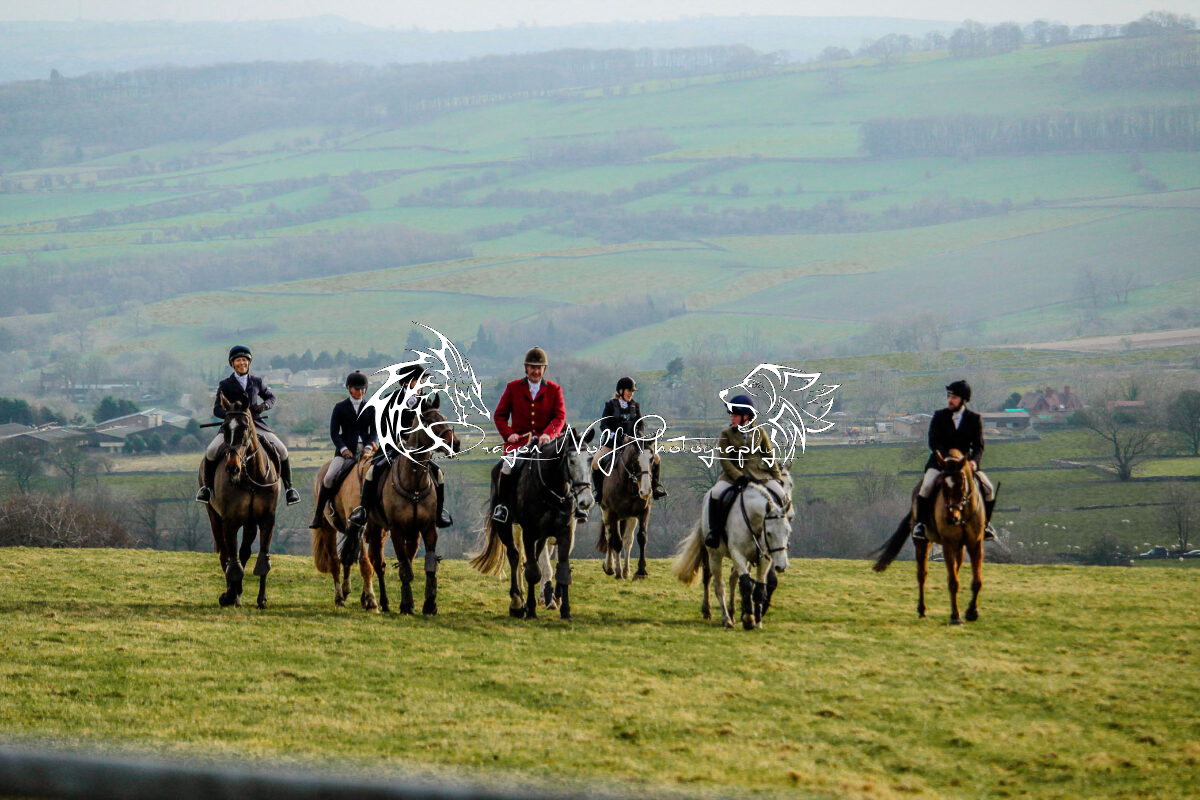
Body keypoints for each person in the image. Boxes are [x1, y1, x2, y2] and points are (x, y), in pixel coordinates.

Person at [196, 344, 300, 505]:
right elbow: (217, 409)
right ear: (232, 364)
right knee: (211, 451)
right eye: (238, 360)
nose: (242, 363)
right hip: (233, 427)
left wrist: (264, 406)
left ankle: (289, 489)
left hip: (256, 424)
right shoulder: (225, 384)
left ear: (249, 362)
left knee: (282, 450)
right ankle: (207, 488)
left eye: (244, 360)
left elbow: (271, 398)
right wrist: (231, 415)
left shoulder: (256, 381)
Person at [351, 365, 453, 529]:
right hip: (393, 447)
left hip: (418, 452)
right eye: (418, 380)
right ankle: (364, 510)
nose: (422, 383)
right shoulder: (391, 399)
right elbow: (383, 425)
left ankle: (439, 513)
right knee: (372, 471)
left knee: (438, 474)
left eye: (423, 380)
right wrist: (397, 441)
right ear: (406, 382)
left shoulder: (426, 402)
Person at [911, 380, 997, 542]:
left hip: (965, 465)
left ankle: (985, 525)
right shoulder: (939, 416)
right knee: (927, 486)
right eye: (949, 397)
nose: (950, 400)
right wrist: (945, 458)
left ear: (963, 400)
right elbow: (933, 442)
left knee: (989, 489)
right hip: (940, 463)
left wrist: (974, 462)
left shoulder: (974, 419)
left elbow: (978, 446)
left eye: (954, 398)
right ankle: (921, 524)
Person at [490, 346, 568, 524]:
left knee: (567, 465)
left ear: (544, 369)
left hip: (545, 444)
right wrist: (509, 434)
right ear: (526, 368)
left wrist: (549, 434)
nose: (536, 371)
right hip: (520, 443)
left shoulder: (554, 390)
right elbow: (499, 415)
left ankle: (569, 506)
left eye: (539, 368)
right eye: (533, 367)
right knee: (507, 467)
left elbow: (559, 416)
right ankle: (502, 507)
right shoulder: (513, 388)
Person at [704, 394, 783, 548]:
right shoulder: (726, 434)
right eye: (731, 415)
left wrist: (777, 477)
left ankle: (781, 529)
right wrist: (738, 476)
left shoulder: (760, 432)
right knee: (716, 493)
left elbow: (769, 456)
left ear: (746, 416)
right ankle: (714, 532)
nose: (731, 418)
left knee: (780, 494)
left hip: (759, 476)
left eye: (735, 415)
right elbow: (725, 460)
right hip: (732, 477)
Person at [309, 371, 377, 529]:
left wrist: (368, 447)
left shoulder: (371, 407)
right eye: (357, 388)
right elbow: (334, 432)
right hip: (346, 453)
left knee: (382, 473)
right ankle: (319, 515)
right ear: (349, 388)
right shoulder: (340, 407)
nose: (360, 391)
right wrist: (343, 449)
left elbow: (375, 431)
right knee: (328, 477)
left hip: (367, 452)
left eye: (363, 388)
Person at [591, 376, 667, 503]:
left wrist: (638, 435)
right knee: (595, 462)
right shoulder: (610, 405)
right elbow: (604, 425)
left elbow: (641, 424)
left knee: (656, 457)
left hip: (633, 443)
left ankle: (655, 488)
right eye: (629, 391)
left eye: (632, 391)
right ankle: (599, 493)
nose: (631, 394)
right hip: (612, 443)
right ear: (621, 391)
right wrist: (620, 436)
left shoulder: (635, 406)